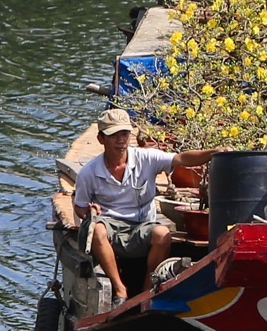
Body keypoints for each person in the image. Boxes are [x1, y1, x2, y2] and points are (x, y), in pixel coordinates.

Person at [72, 109, 221, 304]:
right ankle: (120, 289)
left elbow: (181, 159)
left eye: (124, 134)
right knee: (98, 230)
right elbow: (79, 208)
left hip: (141, 226)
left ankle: (146, 291)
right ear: (101, 139)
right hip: (109, 226)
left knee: (162, 234)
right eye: (114, 135)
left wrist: (214, 153)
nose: (120, 140)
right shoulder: (89, 173)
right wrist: (90, 211)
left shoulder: (146, 158)